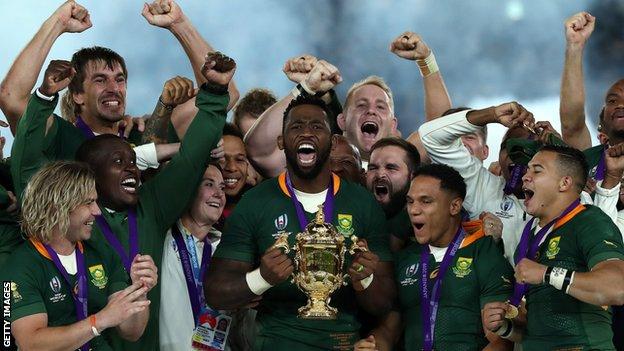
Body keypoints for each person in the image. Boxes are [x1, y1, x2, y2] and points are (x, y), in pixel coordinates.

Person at [12, 52, 234, 350]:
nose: (132, 168)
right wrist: (43, 97)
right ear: (91, 175)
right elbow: (26, 164)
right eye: (120, 161)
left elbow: (192, 157)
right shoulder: (65, 213)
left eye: (133, 160)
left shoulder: (151, 206)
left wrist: (216, 91)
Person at [204, 95, 394, 350]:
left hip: (342, 344)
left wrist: (366, 279)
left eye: (317, 127)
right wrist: (262, 278)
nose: (306, 133)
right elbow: (216, 293)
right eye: (296, 127)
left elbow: (384, 304)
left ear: (333, 139)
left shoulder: (362, 203)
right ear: (282, 141)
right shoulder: (255, 202)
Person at [355, 164, 514, 351]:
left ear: (454, 206)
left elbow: (500, 340)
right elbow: (390, 329)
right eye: (410, 201)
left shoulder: (484, 253)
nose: (414, 210)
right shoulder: (406, 259)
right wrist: (374, 345)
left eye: (425, 201)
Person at [3, 161, 156, 350]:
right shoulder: (19, 266)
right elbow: (30, 343)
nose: (97, 211)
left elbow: (132, 332)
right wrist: (98, 321)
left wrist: (140, 291)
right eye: (88, 202)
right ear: (57, 206)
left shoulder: (102, 253)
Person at [491, 145, 624, 349]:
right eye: (527, 170)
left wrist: (547, 274)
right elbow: (540, 326)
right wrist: (505, 327)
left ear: (564, 183)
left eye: (537, 170)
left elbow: (617, 287)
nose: (525, 176)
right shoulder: (529, 234)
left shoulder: (589, 221)